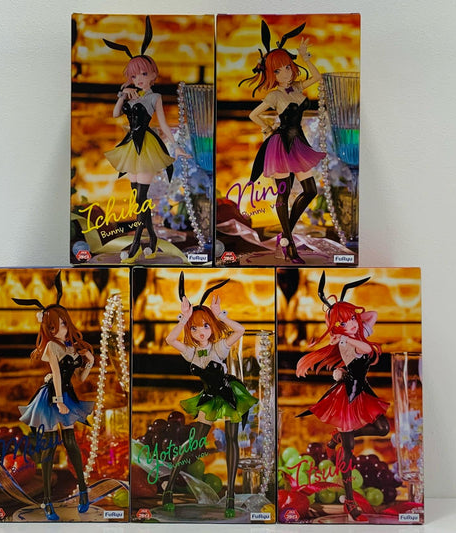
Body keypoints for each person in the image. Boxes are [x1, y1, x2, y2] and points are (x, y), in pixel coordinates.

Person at [296, 272, 389, 521]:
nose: (353, 324)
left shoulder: (357, 332)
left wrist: (347, 316)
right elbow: (367, 349)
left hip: (363, 391)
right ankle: (350, 502)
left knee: (383, 428)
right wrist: (343, 332)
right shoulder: (347, 342)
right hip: (346, 396)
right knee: (348, 452)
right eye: (345, 322)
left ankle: (337, 437)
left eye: (353, 319)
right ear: (338, 327)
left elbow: (372, 315)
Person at [162, 273, 257, 518]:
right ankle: (169, 487)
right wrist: (184, 319)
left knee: (233, 441)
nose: (200, 331)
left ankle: (231, 496)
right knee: (195, 440)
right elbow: (169, 339)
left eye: (205, 326)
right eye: (194, 328)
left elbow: (241, 330)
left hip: (229, 394)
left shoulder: (218, 347)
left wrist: (220, 315)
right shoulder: (191, 352)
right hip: (209, 398)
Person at [103, 16, 190, 264]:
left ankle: (136, 243)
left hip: (147, 147)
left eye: (143, 73)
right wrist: (122, 94)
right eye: (134, 76)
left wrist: (176, 147)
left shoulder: (155, 97)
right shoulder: (131, 95)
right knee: (138, 199)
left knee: (141, 199)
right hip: (131, 146)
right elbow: (115, 114)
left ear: (153, 74)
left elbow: (163, 124)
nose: (139, 79)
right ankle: (151, 238)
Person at [240, 21, 325, 263]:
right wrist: (267, 128)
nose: (285, 73)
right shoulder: (274, 95)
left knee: (310, 190)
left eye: (287, 67)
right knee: (283, 195)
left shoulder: (297, 86)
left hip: (298, 143)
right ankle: (290, 246)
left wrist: (306, 58)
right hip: (280, 145)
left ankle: (286, 235)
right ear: (271, 74)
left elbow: (317, 77)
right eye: (278, 71)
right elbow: (253, 114)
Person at [13, 272, 95, 521]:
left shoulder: (70, 346)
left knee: (71, 443)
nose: (59, 329)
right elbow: (57, 375)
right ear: (47, 329)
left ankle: (83, 490)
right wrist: (59, 402)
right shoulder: (51, 347)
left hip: (66, 394)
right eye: (52, 327)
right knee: (49, 447)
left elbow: (78, 378)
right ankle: (47, 501)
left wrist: (89, 363)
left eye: (62, 324)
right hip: (51, 397)